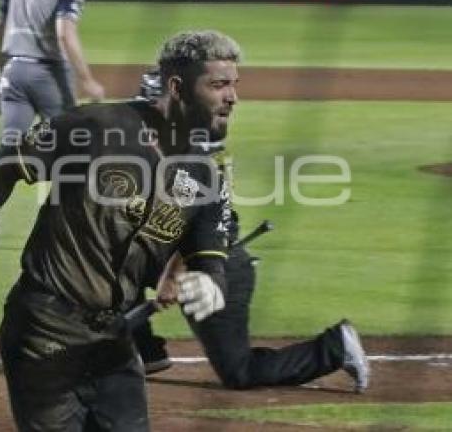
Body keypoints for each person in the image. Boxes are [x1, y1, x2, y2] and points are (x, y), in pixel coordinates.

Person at [0, 30, 242, 431]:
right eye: (218, 85)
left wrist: (210, 282)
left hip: (114, 341)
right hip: (45, 330)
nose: (232, 97)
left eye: (234, 85)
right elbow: (8, 165)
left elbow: (210, 253)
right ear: (177, 86)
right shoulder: (97, 127)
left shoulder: (205, 175)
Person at [132, 70, 371, 393]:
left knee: (239, 372)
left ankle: (334, 347)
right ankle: (144, 352)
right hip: (181, 255)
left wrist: (175, 276)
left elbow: (193, 225)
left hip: (216, 267)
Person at [0, 0, 105, 249]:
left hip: (14, 72)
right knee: (76, 150)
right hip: (48, 75)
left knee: (8, 151)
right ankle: (67, 229)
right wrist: (87, 79)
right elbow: (65, 33)